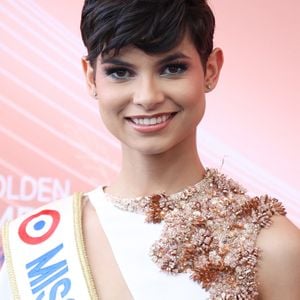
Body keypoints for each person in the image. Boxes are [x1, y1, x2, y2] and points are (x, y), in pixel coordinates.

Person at [1, 0, 300, 299]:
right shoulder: (36, 249)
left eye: (172, 68)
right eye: (120, 72)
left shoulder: (271, 245)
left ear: (210, 70)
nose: (147, 96)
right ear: (91, 78)